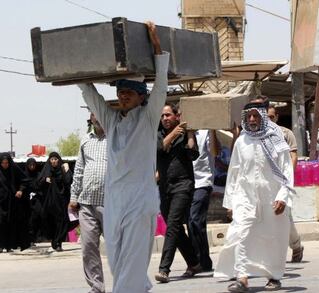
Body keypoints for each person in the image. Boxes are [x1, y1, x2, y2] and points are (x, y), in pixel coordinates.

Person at [76, 21, 169, 293]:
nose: (123, 95)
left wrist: (156, 45)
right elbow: (90, 94)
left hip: (140, 199)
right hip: (114, 199)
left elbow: (161, 86)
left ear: (141, 96)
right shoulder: (112, 121)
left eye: (129, 91)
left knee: (131, 262)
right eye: (120, 91)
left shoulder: (149, 118)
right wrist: (78, 61)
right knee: (117, 261)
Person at [214, 100, 295, 292]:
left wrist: (283, 196)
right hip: (245, 197)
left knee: (272, 237)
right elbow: (234, 172)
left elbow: (286, 168)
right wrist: (230, 203)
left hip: (271, 197)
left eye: (256, 115)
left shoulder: (276, 138)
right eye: (248, 116)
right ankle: (242, 278)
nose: (252, 119)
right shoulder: (242, 141)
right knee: (241, 234)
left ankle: (273, 276)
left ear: (263, 116)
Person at [155, 103, 201, 283]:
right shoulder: (157, 135)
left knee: (173, 224)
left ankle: (164, 269)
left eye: (168, 115)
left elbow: (192, 154)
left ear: (177, 116)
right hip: (165, 187)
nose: (165, 118)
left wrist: (189, 134)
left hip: (183, 185)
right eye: (163, 116)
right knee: (174, 227)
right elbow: (159, 149)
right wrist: (174, 134)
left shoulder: (185, 135)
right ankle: (194, 262)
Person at [69, 113, 107, 293]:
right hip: (87, 203)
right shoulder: (85, 140)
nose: (97, 117)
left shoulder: (116, 137)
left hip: (111, 204)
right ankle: (97, 286)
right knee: (89, 247)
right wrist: (73, 197)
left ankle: (126, 282)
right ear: (90, 118)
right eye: (94, 114)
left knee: (118, 247)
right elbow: (79, 171)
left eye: (100, 112)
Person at [267, 105, 304, 263]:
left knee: (285, 216)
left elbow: (293, 156)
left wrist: (288, 181)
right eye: (266, 117)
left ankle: (296, 246)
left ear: (277, 117)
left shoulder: (286, 133)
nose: (269, 120)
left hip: (282, 182)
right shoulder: (256, 135)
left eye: (271, 117)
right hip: (265, 183)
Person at [0, 153, 30, 253]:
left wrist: (20, 190)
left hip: (11, 202)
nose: (5, 165)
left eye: (7, 163)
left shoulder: (14, 170)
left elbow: (24, 181)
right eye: (3, 163)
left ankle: (8, 245)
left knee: (9, 223)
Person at [187, 129, 219, 272]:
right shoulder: (182, 131)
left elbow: (214, 152)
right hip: (186, 183)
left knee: (195, 219)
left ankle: (201, 261)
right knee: (193, 223)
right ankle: (203, 261)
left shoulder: (206, 132)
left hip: (203, 182)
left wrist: (212, 129)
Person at [38, 152, 72, 252]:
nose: (53, 161)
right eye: (52, 159)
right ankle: (55, 241)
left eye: (55, 159)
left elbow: (68, 181)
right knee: (53, 221)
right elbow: (38, 183)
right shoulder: (47, 170)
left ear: (59, 160)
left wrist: (67, 170)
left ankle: (59, 242)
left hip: (62, 200)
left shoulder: (62, 169)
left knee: (64, 221)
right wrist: (45, 179)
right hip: (50, 201)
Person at [24, 158, 43, 245]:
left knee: (37, 217)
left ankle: (36, 237)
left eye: (33, 165)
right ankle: (29, 239)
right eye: (30, 165)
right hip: (26, 201)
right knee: (28, 219)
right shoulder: (24, 175)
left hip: (37, 199)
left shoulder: (39, 175)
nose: (32, 167)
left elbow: (41, 186)